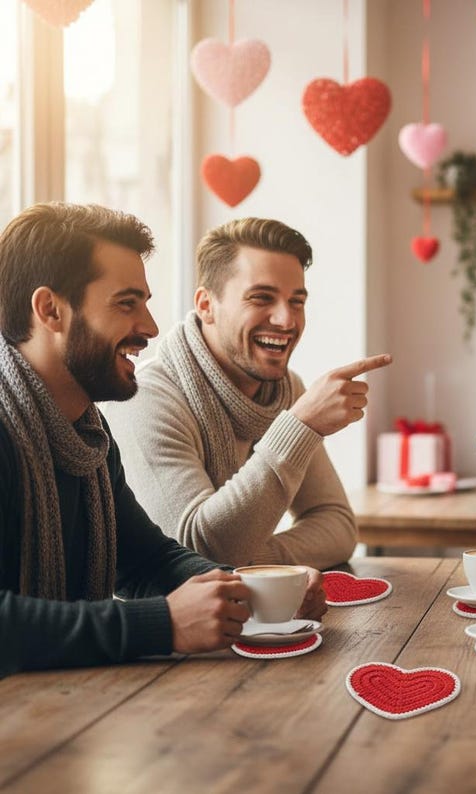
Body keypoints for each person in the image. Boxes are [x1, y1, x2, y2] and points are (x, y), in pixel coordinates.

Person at [0, 203, 325, 678]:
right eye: (126, 303)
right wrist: (161, 625)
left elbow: (145, 559)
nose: (151, 327)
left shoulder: (88, 434)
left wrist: (248, 590)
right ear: (50, 310)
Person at [104, 218, 391, 570]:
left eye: (296, 301)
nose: (286, 320)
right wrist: (300, 426)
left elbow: (338, 526)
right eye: (261, 298)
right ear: (206, 305)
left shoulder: (285, 391)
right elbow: (194, 556)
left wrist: (254, 564)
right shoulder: (145, 398)